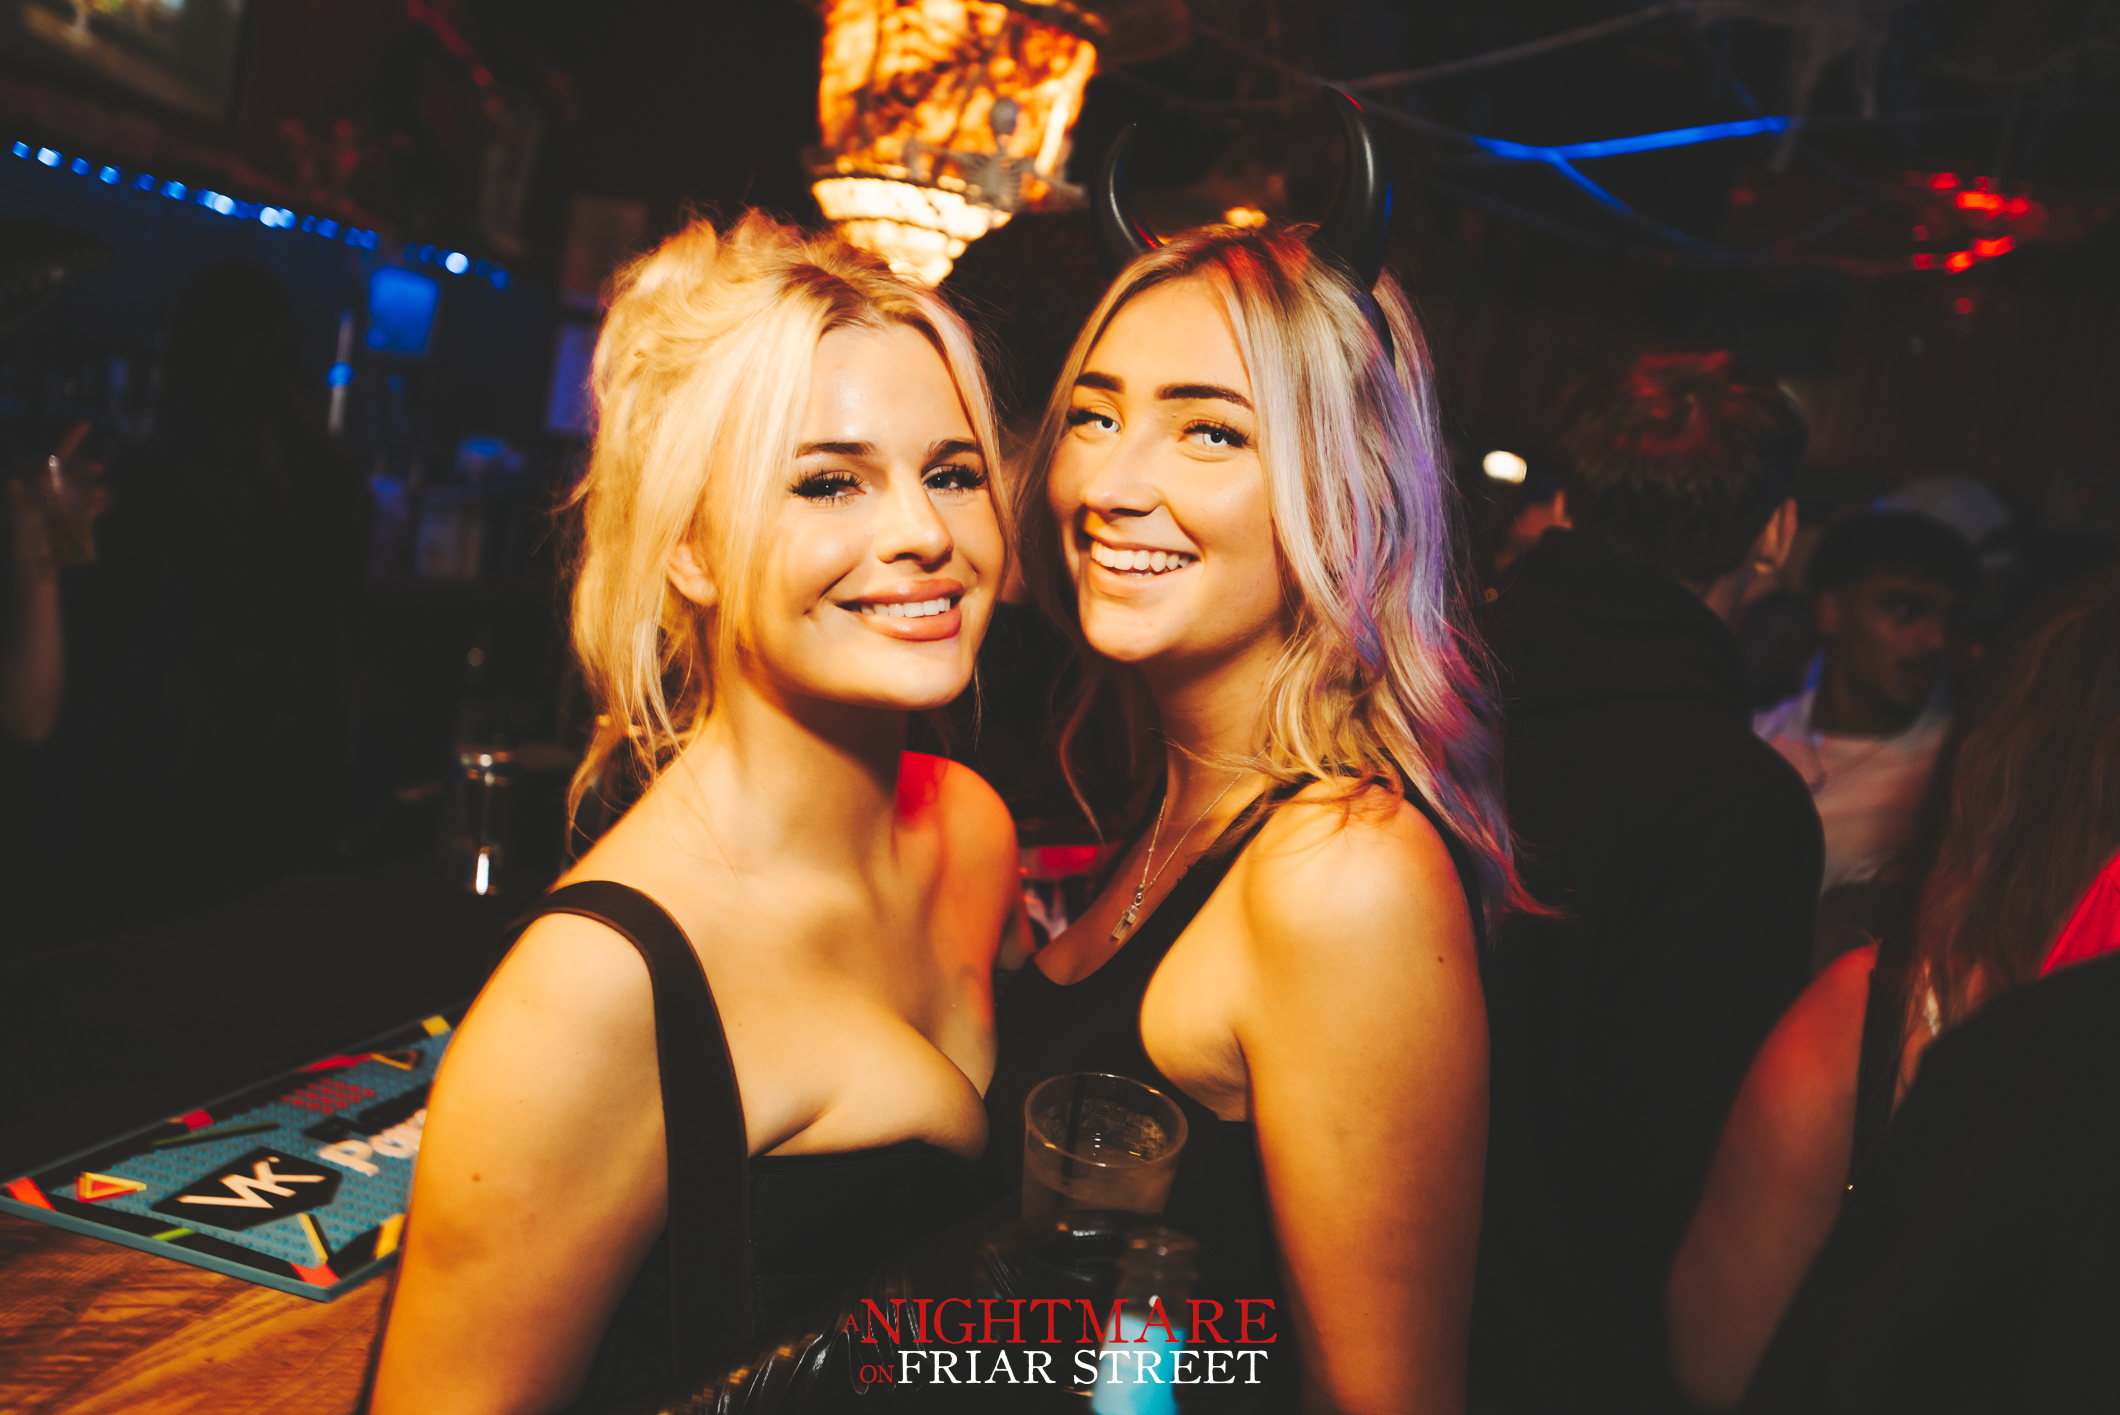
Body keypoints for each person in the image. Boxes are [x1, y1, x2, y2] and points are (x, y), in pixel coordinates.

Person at [370, 214, 1024, 1413]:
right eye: (828, 481)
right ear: (690, 551)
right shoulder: (597, 990)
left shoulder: (970, 831)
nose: (923, 532)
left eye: (951, 471)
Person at [979, 93, 1519, 1415]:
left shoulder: (1346, 877)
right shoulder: (1184, 801)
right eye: (1094, 414)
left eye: (1210, 429)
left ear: (1346, 488)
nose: (1110, 483)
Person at [1668, 564, 2120, 1412]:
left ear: (2009, 762)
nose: (1930, 641)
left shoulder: (1872, 1015)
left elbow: (1716, 1357)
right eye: (1906, 608)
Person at [1472, 350, 1825, 1415]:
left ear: (1565, 506)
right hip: (1559, 1357)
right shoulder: (1741, 804)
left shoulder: (1430, 699)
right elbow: (1661, 1170)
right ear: (1775, 533)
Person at [1753, 511, 1978, 967]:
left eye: (1949, 619)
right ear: (1830, 611)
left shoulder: (1958, 774)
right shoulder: (1755, 734)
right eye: (1905, 610)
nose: (1935, 639)